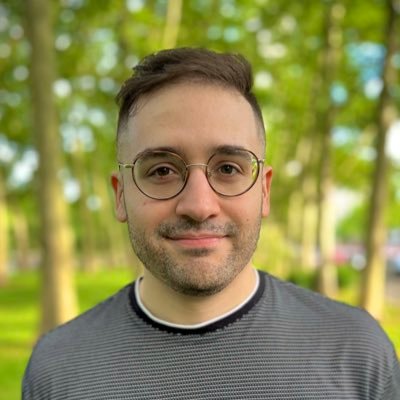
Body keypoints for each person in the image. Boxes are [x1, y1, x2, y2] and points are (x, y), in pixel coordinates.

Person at [22, 47, 400, 400]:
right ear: (120, 195)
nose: (199, 206)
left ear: (264, 190)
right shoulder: (56, 370)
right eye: (162, 170)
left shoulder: (358, 353)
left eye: (229, 168)